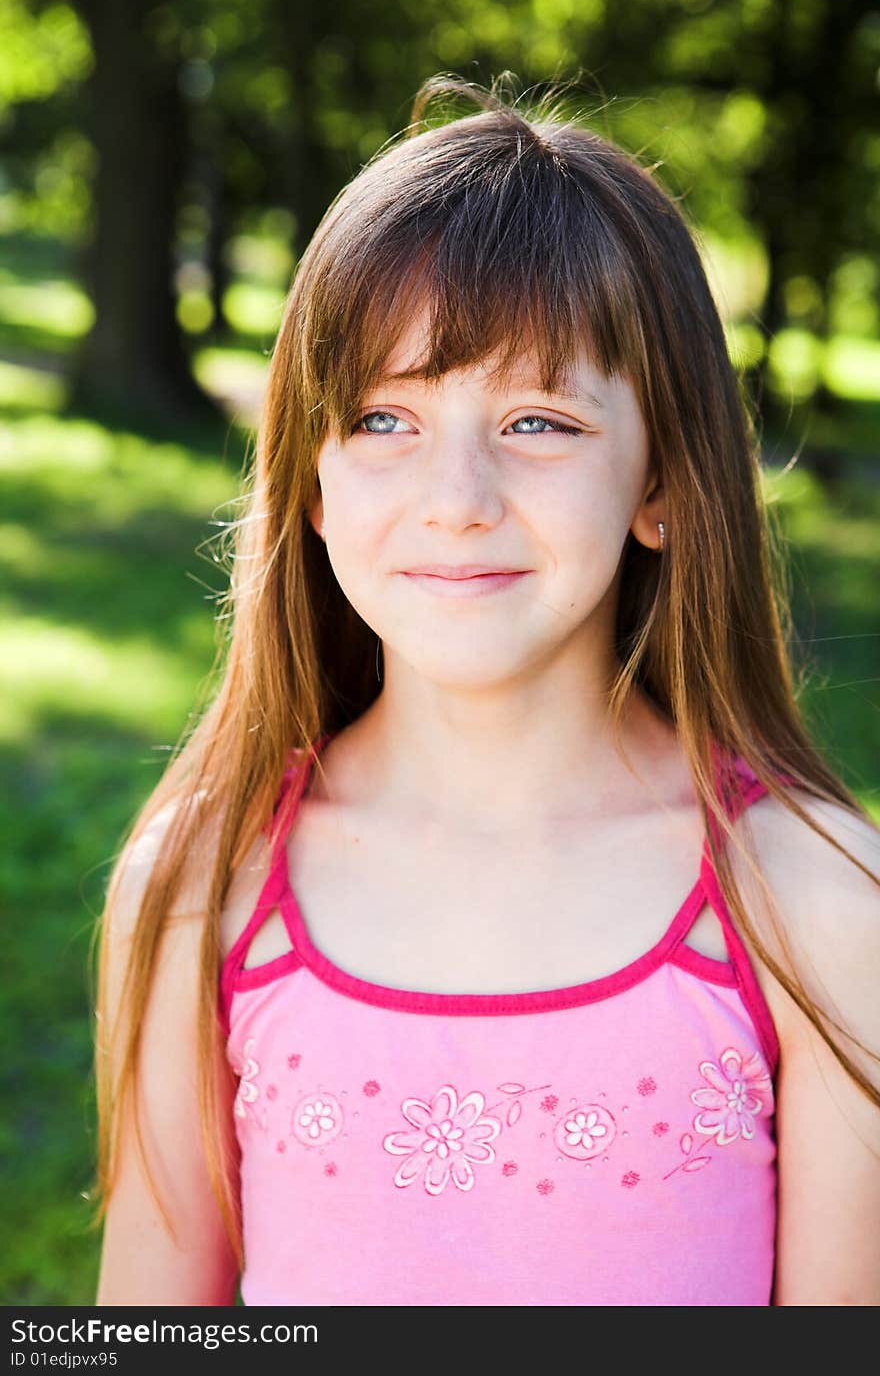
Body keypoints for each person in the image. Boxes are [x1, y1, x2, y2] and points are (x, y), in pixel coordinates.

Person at [91, 73, 880, 1307]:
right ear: (308, 479)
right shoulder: (203, 885)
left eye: (539, 422)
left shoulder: (814, 907)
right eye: (383, 418)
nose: (454, 495)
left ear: (664, 482)